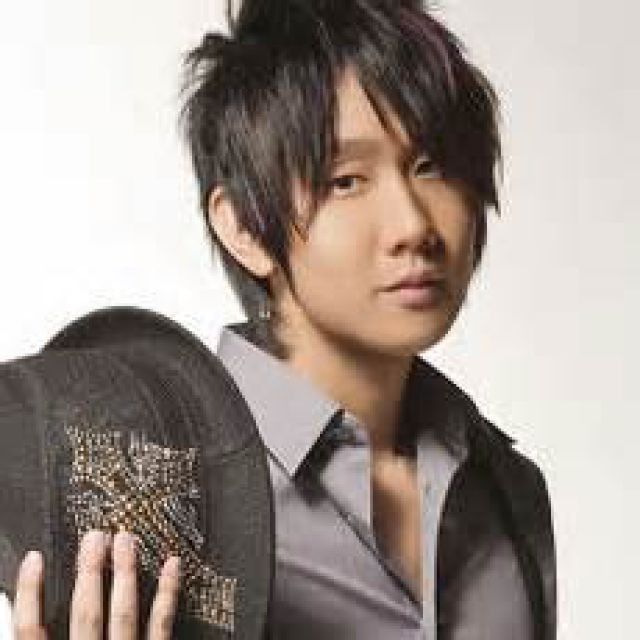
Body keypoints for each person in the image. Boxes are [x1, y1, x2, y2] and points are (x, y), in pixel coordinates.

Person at [12, 0, 556, 638]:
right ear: (243, 227)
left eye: (429, 166)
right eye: (346, 181)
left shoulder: (509, 494)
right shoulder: (153, 492)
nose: (413, 225)